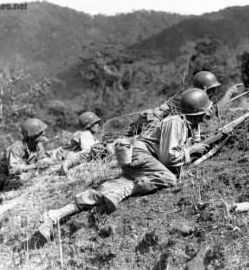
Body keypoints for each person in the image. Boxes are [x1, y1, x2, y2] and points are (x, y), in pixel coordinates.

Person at [37, 88, 212, 241]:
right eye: (206, 109)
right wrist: (192, 150)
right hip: (141, 156)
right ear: (199, 111)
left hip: (145, 162)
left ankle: (54, 216)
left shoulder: (188, 126)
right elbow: (168, 158)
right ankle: (123, 192)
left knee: (104, 190)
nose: (208, 113)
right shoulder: (175, 122)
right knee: (169, 178)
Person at [126, 71, 239, 138]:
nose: (214, 92)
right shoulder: (190, 98)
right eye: (212, 89)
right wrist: (228, 93)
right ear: (205, 89)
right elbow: (212, 114)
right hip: (152, 125)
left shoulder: (191, 94)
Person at [0, 118, 48, 206]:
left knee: (21, 179)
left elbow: (41, 162)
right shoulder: (17, 147)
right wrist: (34, 165)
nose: (43, 133)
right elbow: (13, 170)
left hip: (11, 179)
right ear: (32, 135)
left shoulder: (39, 148)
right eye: (40, 132)